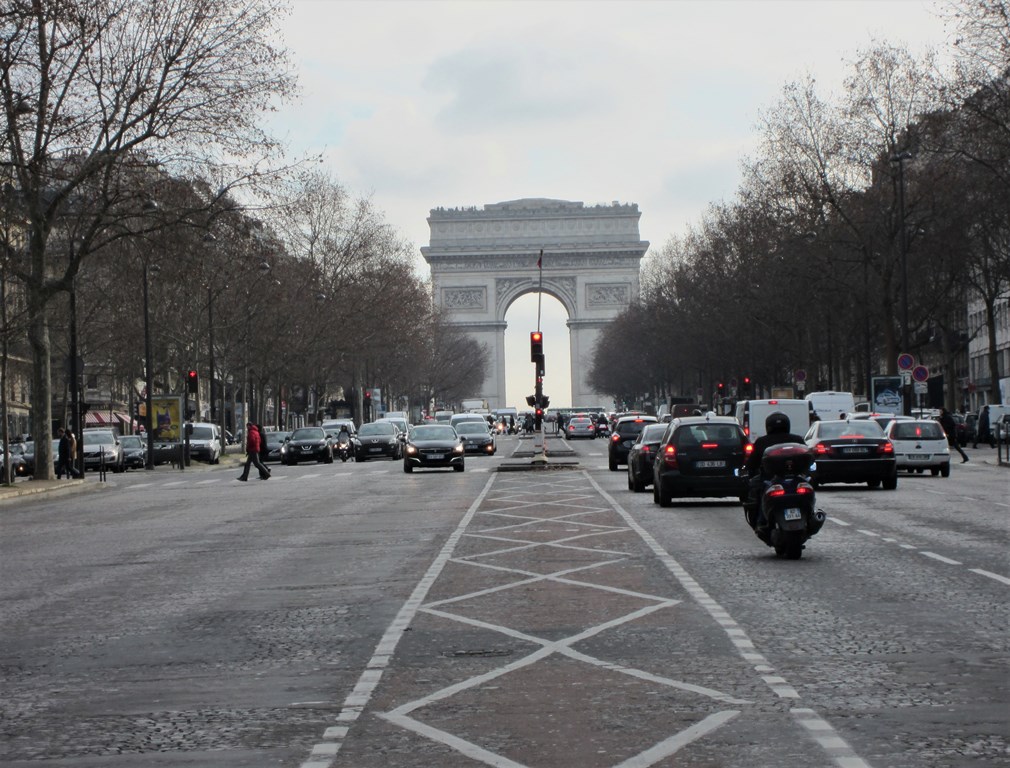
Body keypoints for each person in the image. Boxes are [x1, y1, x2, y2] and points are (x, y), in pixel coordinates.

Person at [743, 412, 808, 528]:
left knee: (753, 492)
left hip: (769, 479)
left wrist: (748, 473)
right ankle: (811, 514)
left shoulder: (762, 442)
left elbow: (751, 464)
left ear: (768, 426)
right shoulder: (797, 439)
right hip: (795, 480)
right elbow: (808, 459)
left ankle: (759, 520)